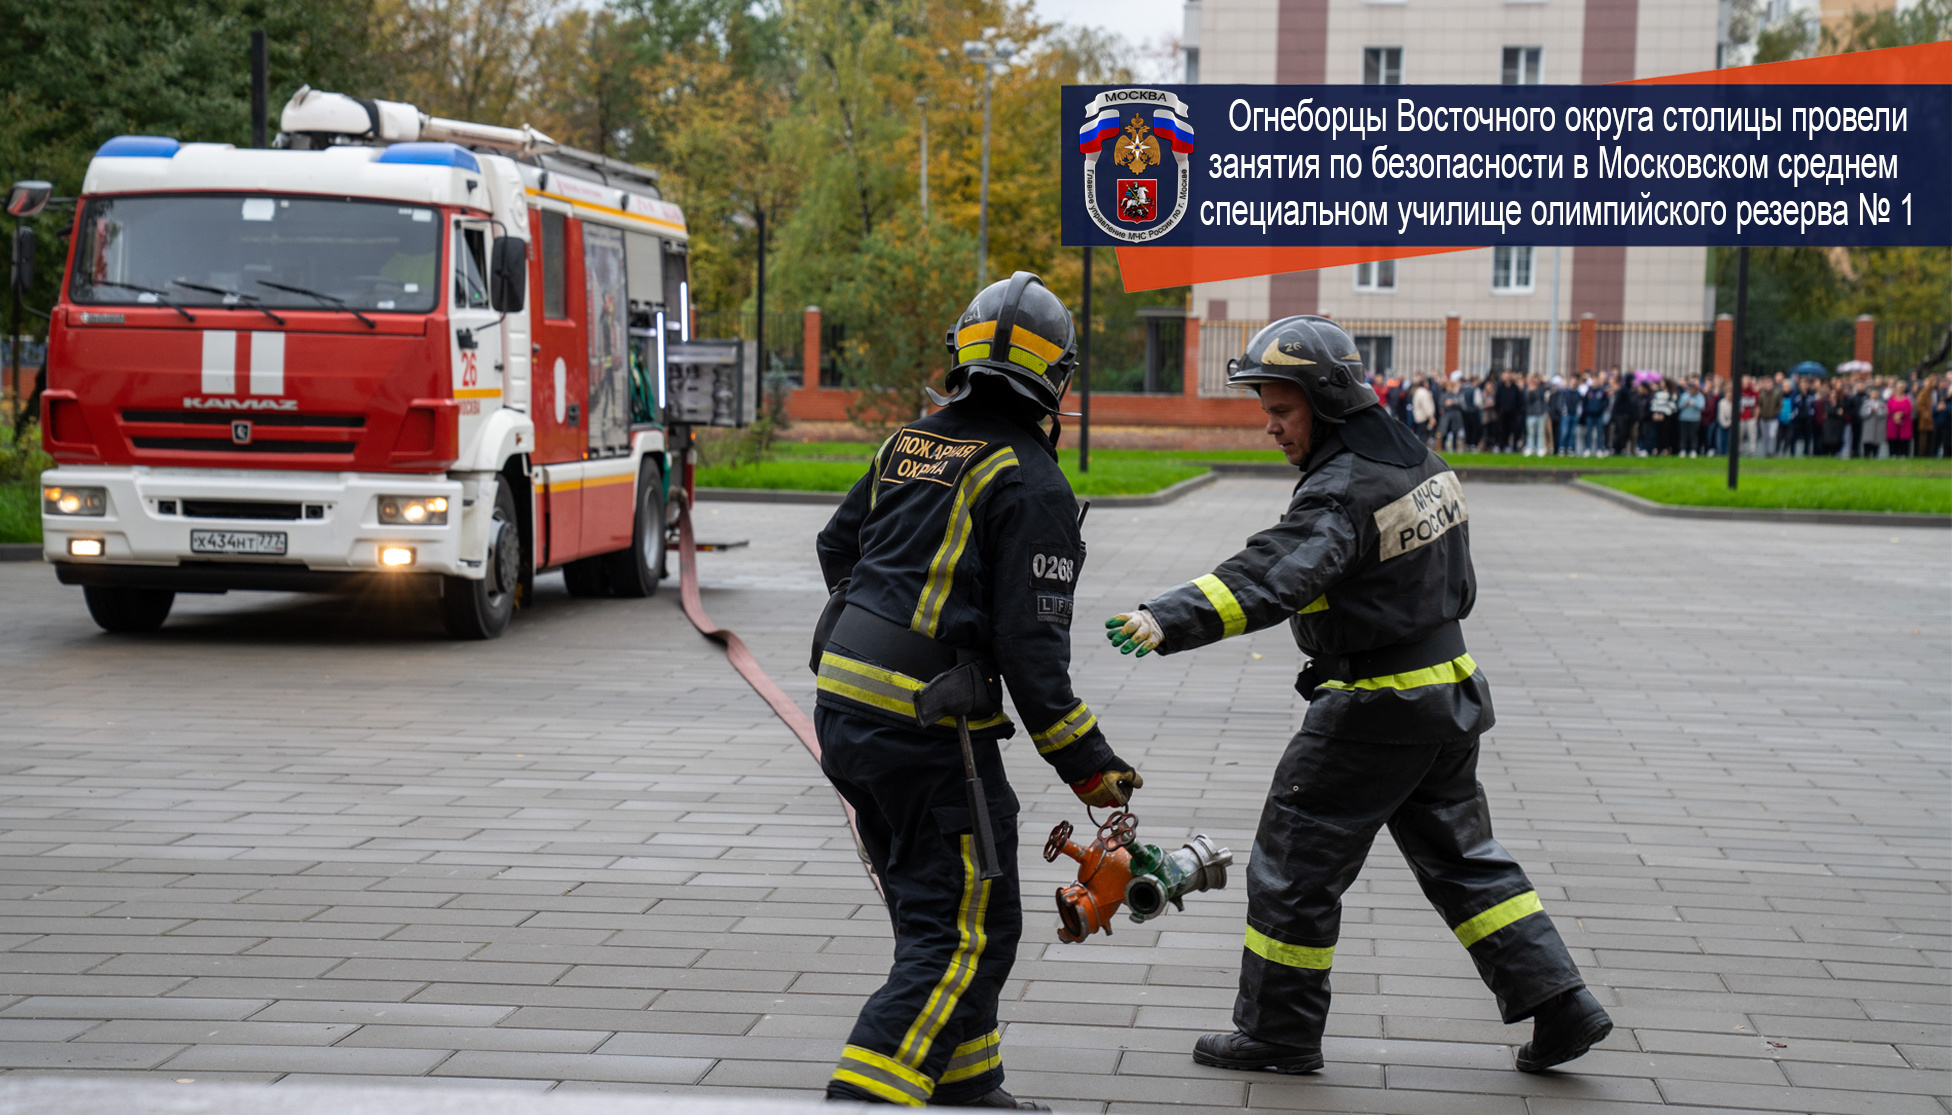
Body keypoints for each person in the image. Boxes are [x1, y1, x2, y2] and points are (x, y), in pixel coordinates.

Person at [1101, 315, 1611, 1080]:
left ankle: (1278, 1032)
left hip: (1374, 708)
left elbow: (1276, 571)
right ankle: (1561, 1002)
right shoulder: (1419, 459)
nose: (1270, 427)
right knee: (1465, 861)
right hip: (1447, 695)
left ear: (1327, 398)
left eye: (1281, 409)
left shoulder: (1341, 488)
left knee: (1293, 863)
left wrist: (1166, 616)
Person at [812, 272, 1141, 1110]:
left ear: (960, 356)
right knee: (968, 930)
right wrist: (1093, 769)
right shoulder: (1030, 481)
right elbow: (1035, 658)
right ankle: (869, 1092)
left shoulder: (908, 443)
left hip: (852, 716)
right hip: (928, 733)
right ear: (1057, 380)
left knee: (949, 906)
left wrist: (882, 633)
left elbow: (835, 546)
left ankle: (968, 1083)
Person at [1677, 381, 1705, 457]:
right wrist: (1685, 404)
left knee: (1693, 435)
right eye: (1690, 389)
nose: (1691, 391)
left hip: (1695, 419)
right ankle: (1683, 450)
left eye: (1692, 389)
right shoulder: (1684, 395)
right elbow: (1679, 406)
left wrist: (1694, 403)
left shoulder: (1700, 396)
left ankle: (1693, 450)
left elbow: (1702, 406)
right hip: (1684, 418)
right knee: (1684, 435)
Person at [1886, 384, 1914, 458]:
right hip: (1893, 421)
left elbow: (1908, 409)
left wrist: (1901, 414)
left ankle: (1903, 454)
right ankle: (1893, 454)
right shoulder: (1891, 399)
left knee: (1904, 439)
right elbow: (1889, 409)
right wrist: (1895, 416)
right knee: (1893, 438)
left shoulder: (1907, 399)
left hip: (1904, 421)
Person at [1860, 388, 1888, 459]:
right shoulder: (1866, 403)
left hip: (1878, 427)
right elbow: (1862, 414)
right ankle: (1866, 457)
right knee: (1867, 444)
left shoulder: (1882, 404)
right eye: (1873, 394)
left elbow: (1885, 414)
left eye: (1876, 394)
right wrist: (1870, 411)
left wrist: (1877, 411)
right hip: (1868, 426)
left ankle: (1875, 457)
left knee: (1876, 444)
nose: (1875, 395)